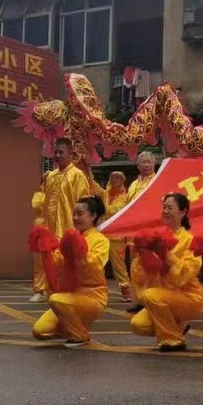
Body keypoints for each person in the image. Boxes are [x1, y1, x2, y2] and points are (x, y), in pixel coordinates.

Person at [30, 137, 105, 303]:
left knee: (64, 261)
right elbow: (44, 199)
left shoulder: (77, 175)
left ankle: (63, 288)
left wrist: (80, 226)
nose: (57, 155)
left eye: (61, 152)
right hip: (49, 226)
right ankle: (40, 289)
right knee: (43, 257)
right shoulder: (50, 176)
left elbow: (83, 202)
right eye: (55, 152)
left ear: (70, 153)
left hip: (67, 226)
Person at [32, 196, 110, 347]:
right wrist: (47, 248)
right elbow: (57, 263)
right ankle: (75, 326)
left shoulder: (100, 240)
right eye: (74, 214)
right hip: (69, 296)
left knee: (56, 299)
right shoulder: (69, 237)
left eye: (80, 214)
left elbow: (95, 264)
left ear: (93, 216)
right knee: (39, 331)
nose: (75, 218)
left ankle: (81, 335)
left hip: (92, 296)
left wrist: (79, 253)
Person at [129, 193, 203, 351]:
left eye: (170, 208)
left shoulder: (190, 240)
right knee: (138, 325)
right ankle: (179, 325)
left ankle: (173, 339)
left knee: (151, 295)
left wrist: (165, 255)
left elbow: (186, 274)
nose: (165, 211)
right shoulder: (156, 236)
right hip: (163, 296)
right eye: (164, 208)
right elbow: (141, 275)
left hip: (188, 297)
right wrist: (143, 255)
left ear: (183, 212)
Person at [123, 151, 160, 312]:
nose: (146, 165)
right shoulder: (133, 184)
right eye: (143, 162)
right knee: (135, 267)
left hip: (151, 231)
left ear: (154, 164)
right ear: (137, 165)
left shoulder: (158, 181)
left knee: (150, 266)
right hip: (133, 233)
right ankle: (139, 300)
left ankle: (151, 299)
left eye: (149, 162)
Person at [104, 171, 133, 302]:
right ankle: (96, 289)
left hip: (117, 235)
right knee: (97, 262)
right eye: (113, 177)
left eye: (118, 178)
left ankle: (125, 290)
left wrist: (103, 207)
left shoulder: (125, 197)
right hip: (102, 234)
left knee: (119, 265)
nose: (115, 180)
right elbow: (93, 186)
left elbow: (114, 211)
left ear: (122, 180)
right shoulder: (105, 194)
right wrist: (87, 170)